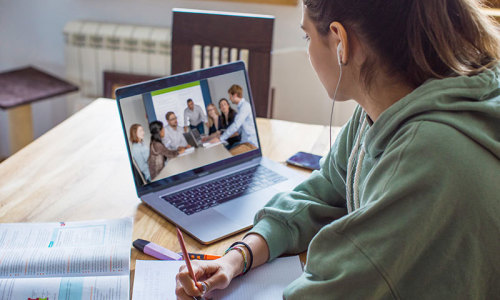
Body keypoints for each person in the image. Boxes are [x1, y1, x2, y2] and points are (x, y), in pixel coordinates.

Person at [176, 0, 500, 299]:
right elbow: (325, 191)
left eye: (307, 37)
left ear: (340, 40)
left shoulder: (426, 156)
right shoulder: (386, 105)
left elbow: (329, 289)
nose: (308, 49)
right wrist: (238, 257)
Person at [209, 85, 257, 153]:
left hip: (250, 144)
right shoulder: (240, 108)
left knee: (228, 155)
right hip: (244, 142)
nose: (230, 98)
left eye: (230, 96)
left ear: (234, 95)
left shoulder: (245, 107)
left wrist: (221, 138)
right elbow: (239, 129)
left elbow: (235, 125)